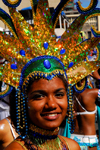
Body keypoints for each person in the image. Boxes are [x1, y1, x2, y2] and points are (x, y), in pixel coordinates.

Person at [0, 0, 100, 149]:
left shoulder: (72, 146)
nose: (52, 104)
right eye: (39, 96)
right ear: (24, 101)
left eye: (59, 94)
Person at [70, 76, 99, 150]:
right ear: (83, 81)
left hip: (73, 139)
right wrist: (98, 77)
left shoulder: (69, 96)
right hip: (89, 141)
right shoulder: (93, 93)